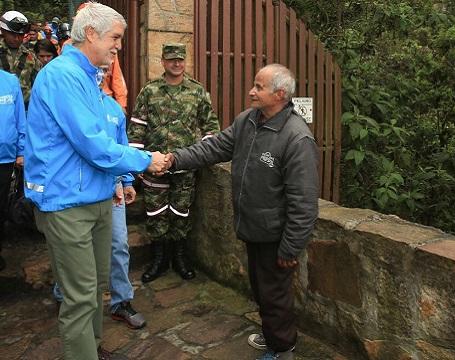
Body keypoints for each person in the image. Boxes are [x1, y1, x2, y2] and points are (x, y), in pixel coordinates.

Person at [23, 3, 164, 359]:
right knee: (81, 295)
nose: (118, 46)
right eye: (115, 37)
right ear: (91, 33)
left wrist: (120, 179)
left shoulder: (88, 78)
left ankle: (93, 348)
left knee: (98, 286)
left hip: (97, 198)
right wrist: (146, 160)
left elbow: (107, 137)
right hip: (67, 203)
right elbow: (93, 144)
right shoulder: (62, 76)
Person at [162, 64, 319, 360]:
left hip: (276, 236)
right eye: (254, 85)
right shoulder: (248, 121)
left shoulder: (296, 138)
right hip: (252, 227)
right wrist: (174, 159)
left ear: (281, 94)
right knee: (261, 291)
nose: (251, 91)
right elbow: (214, 148)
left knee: (275, 296)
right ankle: (274, 335)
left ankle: (283, 349)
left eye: (259, 87)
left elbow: (305, 203)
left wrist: (291, 247)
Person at [52, 79, 147, 331]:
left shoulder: (114, 109)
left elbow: (120, 146)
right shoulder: (72, 103)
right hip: (77, 190)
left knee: (119, 243)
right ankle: (65, 295)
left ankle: (121, 301)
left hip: (111, 188)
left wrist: (127, 181)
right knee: (72, 248)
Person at [129, 42, 219, 283]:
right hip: (154, 167)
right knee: (155, 212)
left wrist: (203, 155)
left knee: (181, 211)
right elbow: (137, 127)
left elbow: (211, 127)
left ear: (185, 61)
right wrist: (138, 163)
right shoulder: (149, 91)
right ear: (163, 61)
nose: (177, 64)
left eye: (180, 59)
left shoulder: (197, 91)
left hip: (184, 166)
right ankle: (159, 259)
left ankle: (179, 257)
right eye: (171, 60)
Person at [0, 69, 26, 272]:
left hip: (5, 157)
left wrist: (21, 151)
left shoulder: (10, 81)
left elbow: (20, 118)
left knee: (1, 207)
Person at [0, 10, 41, 108]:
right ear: (3, 31)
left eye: (21, 35)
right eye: (13, 34)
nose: (17, 38)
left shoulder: (30, 57)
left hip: (25, 108)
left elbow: (39, 83)